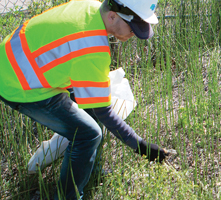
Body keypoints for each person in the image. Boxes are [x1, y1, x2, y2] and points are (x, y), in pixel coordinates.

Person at [0, 0, 170, 199]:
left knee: (90, 105)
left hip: (12, 60)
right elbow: (104, 112)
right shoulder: (92, 47)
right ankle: (67, 196)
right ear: (113, 15)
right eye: (133, 28)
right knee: (88, 134)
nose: (134, 34)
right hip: (20, 85)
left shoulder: (90, 7)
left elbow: (94, 100)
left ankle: (88, 172)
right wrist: (141, 146)